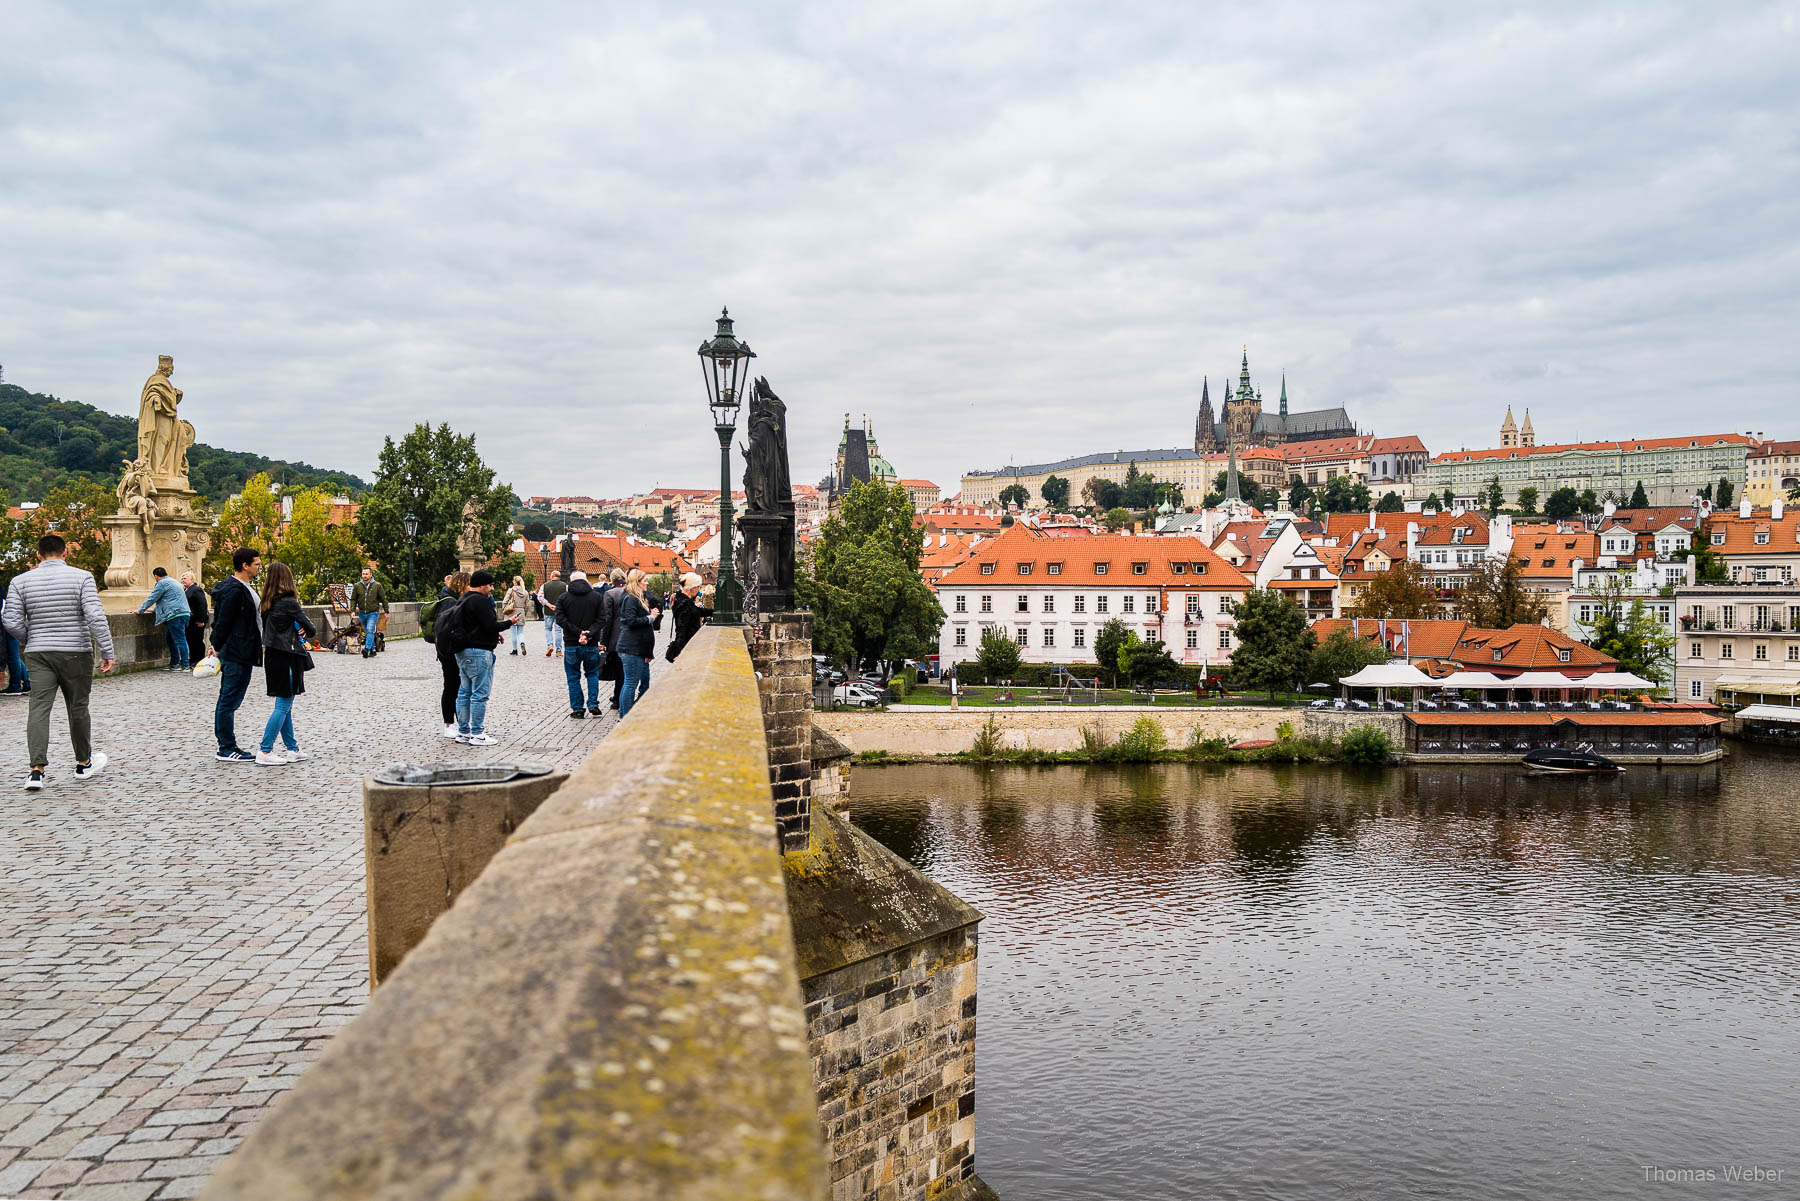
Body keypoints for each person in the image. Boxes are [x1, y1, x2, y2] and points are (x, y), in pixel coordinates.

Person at [2, 534, 115, 790]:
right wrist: (107, 650)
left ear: (38, 555)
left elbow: (10, 621)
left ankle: (36, 770)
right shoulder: (82, 577)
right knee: (78, 707)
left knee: (39, 709)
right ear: (65, 553)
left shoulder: (20, 581)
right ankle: (83, 763)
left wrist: (30, 637)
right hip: (76, 650)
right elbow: (95, 616)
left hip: (38, 653)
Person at [256, 561, 316, 765]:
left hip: (272, 655)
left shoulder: (266, 603)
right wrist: (300, 627)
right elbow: (311, 629)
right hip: (287, 656)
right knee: (283, 705)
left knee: (285, 703)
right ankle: (265, 750)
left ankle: (293, 748)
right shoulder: (289, 602)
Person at [210, 547, 264, 763]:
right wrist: (216, 645)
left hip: (243, 649)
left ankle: (227, 745)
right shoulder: (235, 590)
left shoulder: (243, 588)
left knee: (231, 698)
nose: (259, 567)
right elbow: (223, 622)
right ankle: (226, 747)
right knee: (228, 699)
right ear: (245, 565)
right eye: (257, 564)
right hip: (236, 651)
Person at [449, 569, 511, 745]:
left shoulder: (463, 599)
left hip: (462, 651)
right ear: (483, 584)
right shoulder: (481, 602)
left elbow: (474, 625)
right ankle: (477, 733)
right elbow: (490, 626)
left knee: (464, 693)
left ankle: (463, 732)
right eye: (490, 585)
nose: (491, 588)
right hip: (479, 652)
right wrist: (509, 623)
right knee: (479, 694)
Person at [556, 570, 607, 718]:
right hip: (591, 644)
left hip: (572, 643)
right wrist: (588, 633)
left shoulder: (564, 598)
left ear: (571, 581)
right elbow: (602, 618)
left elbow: (560, 619)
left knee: (573, 677)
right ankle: (593, 703)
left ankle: (578, 709)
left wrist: (577, 632)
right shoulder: (596, 597)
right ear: (585, 581)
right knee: (592, 674)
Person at [614, 568, 662, 718]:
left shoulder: (636, 597)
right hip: (631, 647)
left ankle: (624, 714)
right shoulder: (631, 598)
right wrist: (651, 618)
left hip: (636, 647)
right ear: (637, 582)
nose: (647, 583)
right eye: (645, 580)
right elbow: (630, 621)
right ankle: (625, 716)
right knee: (630, 683)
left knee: (630, 683)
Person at [432, 571, 469, 738]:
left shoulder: (454, 599)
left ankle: (458, 722)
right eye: (469, 584)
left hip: (451, 651)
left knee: (457, 686)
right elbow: (446, 629)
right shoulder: (449, 602)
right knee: (451, 687)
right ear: (461, 585)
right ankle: (448, 724)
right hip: (448, 652)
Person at [135, 566, 192, 671]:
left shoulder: (162, 583)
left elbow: (153, 597)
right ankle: (174, 664)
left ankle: (185, 665)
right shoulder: (173, 582)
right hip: (183, 613)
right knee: (170, 640)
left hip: (176, 615)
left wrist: (140, 610)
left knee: (180, 640)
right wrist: (155, 610)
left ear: (156, 576)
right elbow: (167, 599)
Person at [666, 572, 714, 662]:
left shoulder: (685, 601)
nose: (699, 590)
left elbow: (699, 611)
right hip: (686, 645)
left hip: (690, 644)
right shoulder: (684, 604)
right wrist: (679, 652)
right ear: (691, 588)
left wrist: (715, 612)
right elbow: (681, 629)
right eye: (698, 587)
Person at [597, 567, 627, 710]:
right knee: (625, 670)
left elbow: (607, 620)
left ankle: (618, 698)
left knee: (618, 669)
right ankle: (619, 697)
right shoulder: (632, 592)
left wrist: (603, 641)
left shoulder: (609, 594)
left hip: (615, 639)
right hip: (630, 636)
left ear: (612, 579)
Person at [349, 566, 388, 658]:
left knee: (370, 630)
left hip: (373, 612)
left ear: (370, 575)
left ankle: (366, 649)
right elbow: (353, 599)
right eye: (363, 574)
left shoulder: (377, 585)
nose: (365, 576)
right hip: (362, 613)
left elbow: (383, 599)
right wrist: (353, 610)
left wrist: (386, 611)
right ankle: (373, 649)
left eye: (366, 574)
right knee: (367, 632)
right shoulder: (357, 586)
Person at [0, 577, 28, 697]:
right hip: (11, 622)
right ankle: (26, 683)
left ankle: (16, 686)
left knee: (12, 656)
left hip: (6, 624)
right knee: (14, 656)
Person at [181, 571, 208, 670]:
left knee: (197, 641)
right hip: (190, 620)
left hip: (197, 620)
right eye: (182, 578)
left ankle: (199, 660)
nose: (182, 580)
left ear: (191, 579)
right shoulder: (186, 590)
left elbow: (202, 604)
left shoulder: (196, 589)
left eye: (185, 578)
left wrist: (201, 620)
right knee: (191, 640)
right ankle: (193, 659)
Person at [539, 570, 567, 658]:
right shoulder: (564, 586)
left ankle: (550, 646)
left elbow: (540, 597)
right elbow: (567, 597)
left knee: (548, 629)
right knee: (558, 630)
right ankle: (559, 651)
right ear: (559, 577)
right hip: (560, 611)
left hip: (548, 611)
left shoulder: (545, 585)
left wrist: (548, 604)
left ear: (551, 576)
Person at [501, 576, 531, 656]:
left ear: (514, 582)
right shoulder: (525, 592)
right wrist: (524, 612)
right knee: (520, 632)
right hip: (521, 612)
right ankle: (522, 642)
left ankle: (515, 650)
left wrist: (505, 609)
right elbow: (527, 605)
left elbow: (504, 601)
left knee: (513, 632)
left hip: (512, 612)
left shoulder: (511, 590)